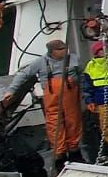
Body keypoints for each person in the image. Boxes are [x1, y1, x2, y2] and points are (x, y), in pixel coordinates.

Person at [6, 39, 85, 169]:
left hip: (71, 97)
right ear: (52, 52)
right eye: (60, 49)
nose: (64, 51)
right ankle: (60, 156)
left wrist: (85, 92)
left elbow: (83, 75)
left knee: (73, 122)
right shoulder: (40, 62)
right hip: (52, 98)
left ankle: (75, 152)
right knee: (54, 125)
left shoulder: (74, 59)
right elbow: (23, 75)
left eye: (64, 48)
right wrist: (11, 91)